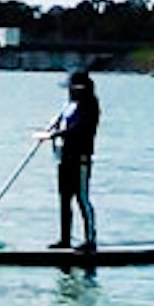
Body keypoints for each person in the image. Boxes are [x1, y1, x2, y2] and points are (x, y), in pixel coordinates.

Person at [51, 65, 100, 252]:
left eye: (71, 88)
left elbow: (78, 130)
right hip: (63, 158)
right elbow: (59, 123)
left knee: (82, 198)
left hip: (80, 158)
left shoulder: (90, 106)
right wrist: (51, 132)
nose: (69, 92)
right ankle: (64, 240)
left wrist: (56, 134)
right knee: (64, 199)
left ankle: (90, 240)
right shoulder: (68, 106)